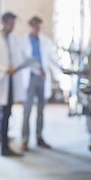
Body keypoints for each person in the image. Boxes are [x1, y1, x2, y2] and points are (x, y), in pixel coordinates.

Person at [0, 12, 25, 157]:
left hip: (9, 81)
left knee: (7, 114)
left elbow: (16, 57)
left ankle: (4, 148)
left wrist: (15, 67)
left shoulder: (13, 39)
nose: (13, 27)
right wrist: (4, 69)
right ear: (3, 22)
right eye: (11, 23)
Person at [20, 16, 57, 151]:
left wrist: (61, 70)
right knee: (27, 110)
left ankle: (39, 137)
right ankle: (24, 139)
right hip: (30, 78)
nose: (37, 29)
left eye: (39, 27)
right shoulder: (23, 42)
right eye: (35, 27)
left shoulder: (45, 41)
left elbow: (51, 58)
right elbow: (25, 60)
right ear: (30, 26)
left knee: (41, 110)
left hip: (42, 78)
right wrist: (37, 68)